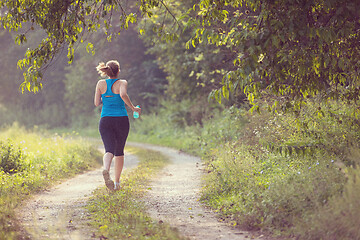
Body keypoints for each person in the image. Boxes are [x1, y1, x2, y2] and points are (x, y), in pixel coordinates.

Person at [94, 60, 141, 191]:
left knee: (109, 149)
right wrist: (132, 108)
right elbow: (123, 94)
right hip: (121, 120)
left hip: (105, 120)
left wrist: (106, 97)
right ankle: (117, 183)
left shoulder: (100, 83)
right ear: (118, 71)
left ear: (107, 71)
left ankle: (105, 169)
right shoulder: (122, 82)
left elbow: (97, 103)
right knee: (119, 151)